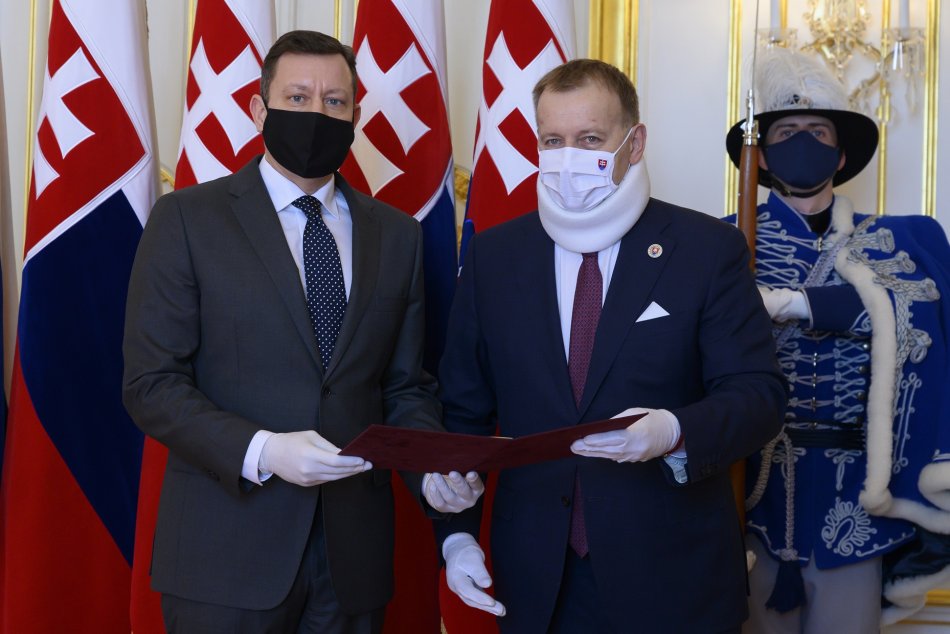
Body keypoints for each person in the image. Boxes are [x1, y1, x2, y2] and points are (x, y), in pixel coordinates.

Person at [123, 30, 481, 633]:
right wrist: (263, 449)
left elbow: (403, 387)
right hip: (225, 557)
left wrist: (433, 472)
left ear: (355, 116)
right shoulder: (187, 219)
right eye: (297, 97)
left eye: (334, 101)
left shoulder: (397, 235)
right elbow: (151, 384)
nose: (316, 113)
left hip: (353, 561)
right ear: (259, 109)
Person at [434, 58, 787, 634]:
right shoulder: (494, 257)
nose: (568, 157)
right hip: (536, 580)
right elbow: (462, 414)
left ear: (635, 142)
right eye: (553, 141)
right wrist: (456, 538)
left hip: (674, 578)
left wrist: (673, 430)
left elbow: (759, 396)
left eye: (590, 139)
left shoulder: (706, 249)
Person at [725, 48, 950, 632]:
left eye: (818, 132)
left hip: (858, 502)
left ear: (841, 153)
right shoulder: (722, 245)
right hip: (750, 497)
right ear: (762, 155)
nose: (803, 142)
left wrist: (798, 304)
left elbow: (917, 314)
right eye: (787, 132)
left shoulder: (899, 244)